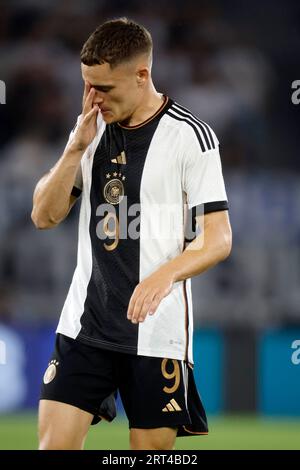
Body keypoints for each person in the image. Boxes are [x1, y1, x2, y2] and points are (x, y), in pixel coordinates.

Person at [31, 17, 232, 450]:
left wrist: (164, 276)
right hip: (84, 327)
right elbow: (44, 216)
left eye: (105, 88)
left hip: (156, 334)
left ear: (142, 75)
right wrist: (73, 149)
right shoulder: (91, 128)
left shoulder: (191, 137)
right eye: (88, 85)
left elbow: (218, 239)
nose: (93, 99)